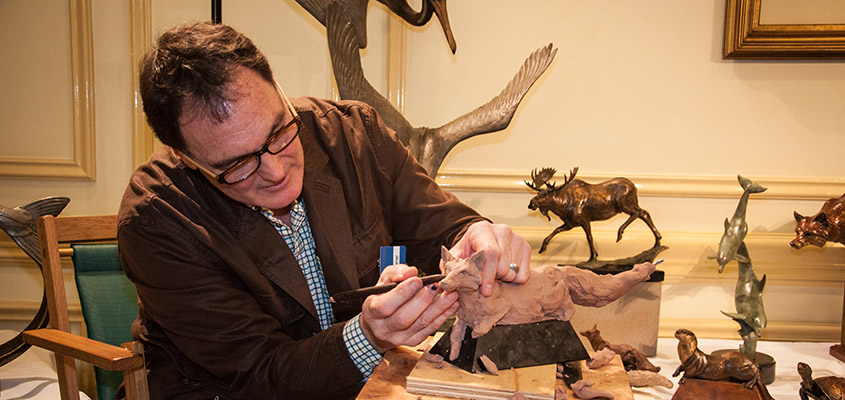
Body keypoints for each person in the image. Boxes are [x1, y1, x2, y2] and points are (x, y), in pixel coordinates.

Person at [118, 21, 530, 399]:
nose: (276, 172)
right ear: (189, 160)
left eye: (279, 131)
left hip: (369, 384)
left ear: (278, 89)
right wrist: (368, 337)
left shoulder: (354, 136)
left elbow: (444, 227)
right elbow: (258, 373)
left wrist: (476, 236)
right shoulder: (156, 220)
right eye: (236, 166)